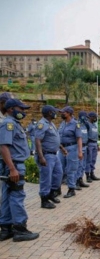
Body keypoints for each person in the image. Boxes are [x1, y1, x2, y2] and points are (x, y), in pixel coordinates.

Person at [0, 99, 39, 242]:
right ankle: (20, 230)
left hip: (12, 165)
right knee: (17, 196)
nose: (23, 111)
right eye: (20, 109)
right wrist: (12, 168)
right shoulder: (8, 124)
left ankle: (6, 229)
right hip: (14, 165)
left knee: (8, 196)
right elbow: (3, 146)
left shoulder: (12, 123)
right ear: (10, 109)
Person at [34, 105, 63, 209]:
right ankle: (44, 200)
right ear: (49, 113)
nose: (56, 113)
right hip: (46, 155)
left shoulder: (51, 124)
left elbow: (54, 138)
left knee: (58, 174)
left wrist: (61, 148)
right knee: (46, 178)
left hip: (54, 154)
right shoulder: (42, 124)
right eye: (54, 111)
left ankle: (51, 194)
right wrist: (41, 157)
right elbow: (38, 141)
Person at [58, 106, 83, 199]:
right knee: (59, 169)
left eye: (63, 112)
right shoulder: (62, 123)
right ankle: (57, 189)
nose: (61, 114)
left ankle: (71, 189)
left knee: (70, 170)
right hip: (61, 149)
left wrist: (80, 152)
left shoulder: (75, 124)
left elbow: (79, 138)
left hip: (72, 148)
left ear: (69, 113)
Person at [74, 111, 90, 189]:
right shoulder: (77, 125)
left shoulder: (85, 125)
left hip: (85, 146)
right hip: (79, 147)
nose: (87, 118)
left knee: (83, 165)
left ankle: (80, 179)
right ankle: (76, 181)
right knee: (79, 165)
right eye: (85, 117)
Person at [86, 112, 100, 182]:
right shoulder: (87, 124)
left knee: (93, 160)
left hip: (94, 143)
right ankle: (87, 175)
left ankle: (92, 173)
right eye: (95, 117)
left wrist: (97, 145)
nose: (96, 119)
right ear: (91, 117)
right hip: (89, 144)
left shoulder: (94, 125)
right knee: (88, 160)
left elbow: (95, 136)